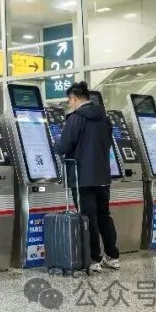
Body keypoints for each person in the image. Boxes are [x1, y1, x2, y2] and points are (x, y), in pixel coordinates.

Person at [53, 81, 120, 272]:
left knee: (88, 218)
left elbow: (63, 146)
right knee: (104, 216)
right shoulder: (104, 118)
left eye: (69, 101)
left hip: (81, 177)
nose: (69, 104)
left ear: (75, 98)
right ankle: (113, 256)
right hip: (102, 177)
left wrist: (55, 140)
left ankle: (94, 259)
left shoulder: (76, 119)